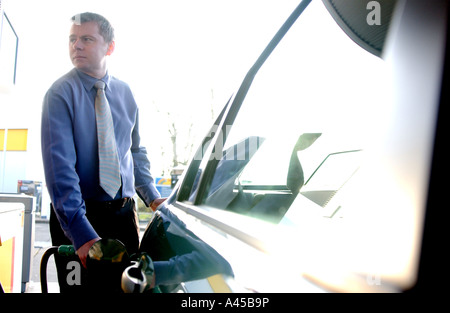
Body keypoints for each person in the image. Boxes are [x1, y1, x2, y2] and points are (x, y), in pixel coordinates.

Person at [41, 12, 165, 292]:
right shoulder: (59, 94)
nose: (77, 45)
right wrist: (81, 235)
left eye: (87, 38)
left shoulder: (125, 93)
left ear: (110, 47)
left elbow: (134, 152)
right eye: (73, 39)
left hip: (123, 215)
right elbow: (60, 171)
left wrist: (153, 198)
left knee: (126, 289)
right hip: (79, 217)